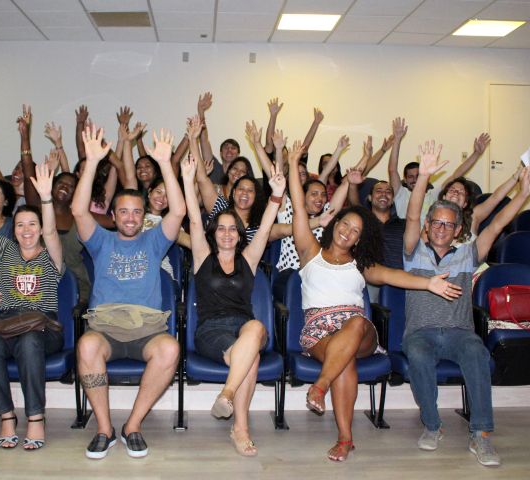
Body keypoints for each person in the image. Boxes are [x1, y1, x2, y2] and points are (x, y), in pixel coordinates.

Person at [287, 141, 461, 462]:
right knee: (344, 361)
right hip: (318, 332)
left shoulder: (361, 265)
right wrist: (294, 162)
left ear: (359, 239)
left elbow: (396, 276)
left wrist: (429, 282)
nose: (348, 232)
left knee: (353, 327)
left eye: (355, 231)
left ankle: (319, 386)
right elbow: (299, 210)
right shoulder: (310, 253)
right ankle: (345, 439)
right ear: (334, 224)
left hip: (359, 330)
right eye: (345, 224)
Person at [402, 140, 530, 467]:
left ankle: (481, 434)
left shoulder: (468, 254)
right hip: (421, 332)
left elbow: (499, 224)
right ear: (429, 228)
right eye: (437, 223)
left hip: (460, 332)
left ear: (459, 229)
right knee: (416, 354)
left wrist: (523, 192)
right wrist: (423, 179)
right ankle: (432, 425)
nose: (442, 228)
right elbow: (414, 214)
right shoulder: (413, 252)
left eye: (449, 224)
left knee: (476, 352)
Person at [72, 124, 185, 460]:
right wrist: (91, 162)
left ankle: (132, 426)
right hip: (106, 329)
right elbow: (79, 211)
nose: (131, 217)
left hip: (147, 331)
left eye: (137, 211)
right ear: (113, 215)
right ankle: (104, 429)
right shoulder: (100, 241)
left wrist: (166, 164)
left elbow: (178, 211)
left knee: (169, 350)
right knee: (87, 343)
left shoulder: (154, 241)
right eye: (124, 211)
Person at [182, 123, 286, 456]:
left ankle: (227, 396)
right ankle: (240, 430)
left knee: (255, 329)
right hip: (211, 331)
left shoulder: (249, 257)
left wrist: (276, 194)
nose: (227, 233)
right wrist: (187, 182)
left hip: (243, 327)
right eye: (221, 229)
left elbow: (268, 223)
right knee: (251, 355)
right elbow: (194, 222)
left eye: (233, 229)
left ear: (240, 235)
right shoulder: (202, 256)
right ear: (214, 234)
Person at [0, 162, 64, 451]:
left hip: (43, 325)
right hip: (9, 321)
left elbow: (50, 232)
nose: (26, 230)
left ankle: (35, 418)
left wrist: (45, 198)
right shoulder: (6, 250)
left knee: (30, 342)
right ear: (14, 230)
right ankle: (6, 416)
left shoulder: (50, 254)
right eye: (20, 225)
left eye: (32, 224)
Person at [388, 117, 490, 221]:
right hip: (408, 234)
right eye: (410, 176)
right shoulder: (401, 194)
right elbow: (392, 170)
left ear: (427, 176)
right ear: (405, 179)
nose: (415, 179)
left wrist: (476, 154)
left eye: (418, 175)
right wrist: (397, 139)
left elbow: (456, 175)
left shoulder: (434, 194)